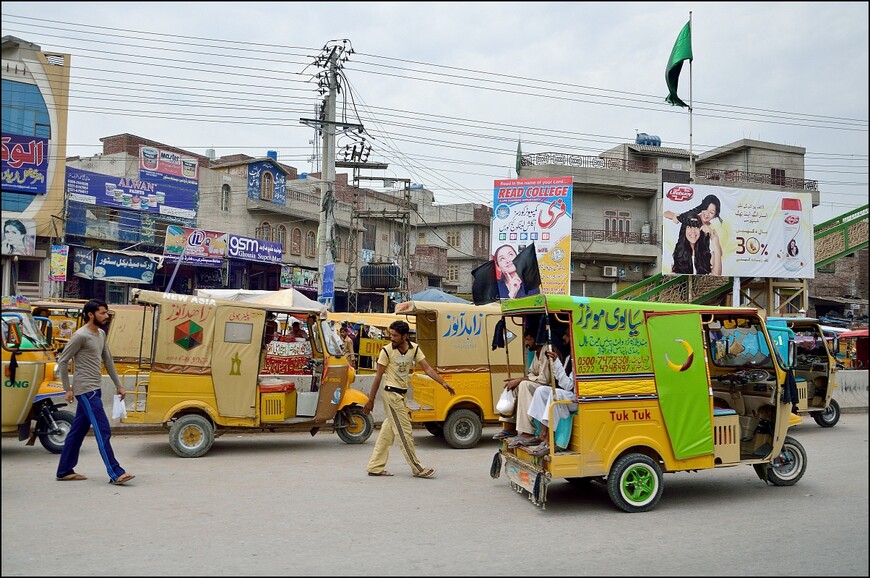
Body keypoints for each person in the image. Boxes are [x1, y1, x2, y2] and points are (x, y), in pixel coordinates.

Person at [55, 299, 135, 485]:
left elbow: (108, 361)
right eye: (102, 313)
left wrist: (119, 384)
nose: (106, 316)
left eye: (106, 313)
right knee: (102, 429)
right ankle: (115, 472)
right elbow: (63, 361)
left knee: (77, 431)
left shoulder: (100, 334)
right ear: (91, 315)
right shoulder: (80, 336)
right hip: (86, 391)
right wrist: (67, 388)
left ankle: (64, 470)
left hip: (95, 389)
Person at [363, 320, 455, 478]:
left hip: (402, 394)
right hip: (391, 394)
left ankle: (375, 466)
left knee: (388, 431)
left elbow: (427, 368)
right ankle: (417, 467)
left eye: (395, 335)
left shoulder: (414, 349)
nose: (392, 338)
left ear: (405, 336)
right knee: (404, 432)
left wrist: (443, 383)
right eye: (390, 334)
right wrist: (370, 400)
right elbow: (378, 377)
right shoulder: (386, 351)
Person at [491, 329, 552, 445]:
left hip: (546, 388)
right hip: (538, 385)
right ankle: (510, 427)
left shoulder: (545, 351)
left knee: (523, 384)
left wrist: (520, 380)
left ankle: (527, 432)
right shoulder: (536, 353)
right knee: (513, 386)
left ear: (536, 340)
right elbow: (532, 374)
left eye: (529, 340)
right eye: (526, 340)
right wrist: (516, 381)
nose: (526, 343)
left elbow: (544, 379)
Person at [524, 330, 577, 456]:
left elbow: (569, 385)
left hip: (576, 398)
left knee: (556, 394)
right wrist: (556, 363)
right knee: (541, 390)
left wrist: (557, 363)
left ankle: (549, 438)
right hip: (568, 394)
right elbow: (563, 381)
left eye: (567, 335)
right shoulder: (569, 357)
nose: (564, 337)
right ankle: (542, 433)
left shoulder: (577, 359)